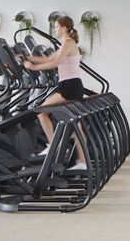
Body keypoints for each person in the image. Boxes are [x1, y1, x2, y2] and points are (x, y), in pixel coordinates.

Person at [23, 16, 87, 167]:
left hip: (69, 86)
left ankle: (53, 146)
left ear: (64, 28)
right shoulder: (67, 43)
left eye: (56, 27)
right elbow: (50, 58)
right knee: (76, 127)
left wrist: (32, 67)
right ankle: (83, 163)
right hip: (71, 85)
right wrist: (29, 58)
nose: (54, 30)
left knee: (41, 112)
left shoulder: (69, 42)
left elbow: (55, 62)